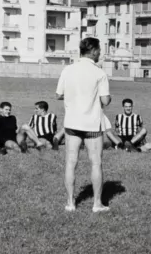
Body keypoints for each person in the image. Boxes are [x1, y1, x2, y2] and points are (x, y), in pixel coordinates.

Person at [56, 37, 111, 213]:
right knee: (96, 163)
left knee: (71, 162)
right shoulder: (99, 73)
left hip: (72, 122)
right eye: (99, 50)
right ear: (93, 51)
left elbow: (58, 94)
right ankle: (96, 203)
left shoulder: (68, 69)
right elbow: (105, 100)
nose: (100, 53)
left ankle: (70, 203)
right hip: (92, 124)